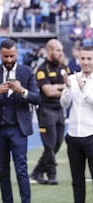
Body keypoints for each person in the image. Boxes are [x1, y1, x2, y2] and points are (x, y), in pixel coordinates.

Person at [0, 39, 40, 203]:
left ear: (17, 54)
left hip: (18, 129)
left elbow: (37, 98)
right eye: (5, 56)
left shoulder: (27, 72)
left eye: (12, 56)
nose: (8, 60)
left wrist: (22, 91)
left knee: (21, 169)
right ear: (0, 54)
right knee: (3, 171)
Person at [30, 39, 69, 185]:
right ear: (50, 50)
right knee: (49, 144)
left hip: (60, 110)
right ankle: (51, 174)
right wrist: (63, 87)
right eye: (58, 50)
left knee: (57, 143)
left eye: (62, 50)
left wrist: (58, 87)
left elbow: (69, 89)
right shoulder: (42, 69)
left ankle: (37, 171)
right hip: (46, 110)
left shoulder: (64, 67)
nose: (61, 53)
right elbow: (49, 91)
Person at [60, 45, 93, 203]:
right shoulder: (72, 78)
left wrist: (83, 87)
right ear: (78, 59)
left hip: (91, 136)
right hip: (73, 137)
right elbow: (65, 104)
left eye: (89, 59)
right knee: (77, 181)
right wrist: (67, 87)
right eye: (83, 58)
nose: (86, 62)